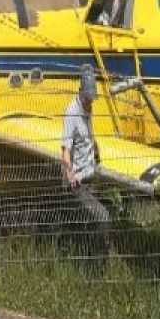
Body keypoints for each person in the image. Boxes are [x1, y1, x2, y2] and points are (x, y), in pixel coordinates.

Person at [62, 65, 110, 272]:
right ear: (81, 91)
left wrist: (97, 151)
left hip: (91, 175)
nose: (91, 101)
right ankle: (97, 268)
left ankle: (88, 263)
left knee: (89, 224)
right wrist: (70, 173)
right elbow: (65, 149)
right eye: (88, 97)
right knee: (102, 217)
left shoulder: (88, 108)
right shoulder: (72, 114)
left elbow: (89, 137)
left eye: (93, 97)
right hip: (79, 180)